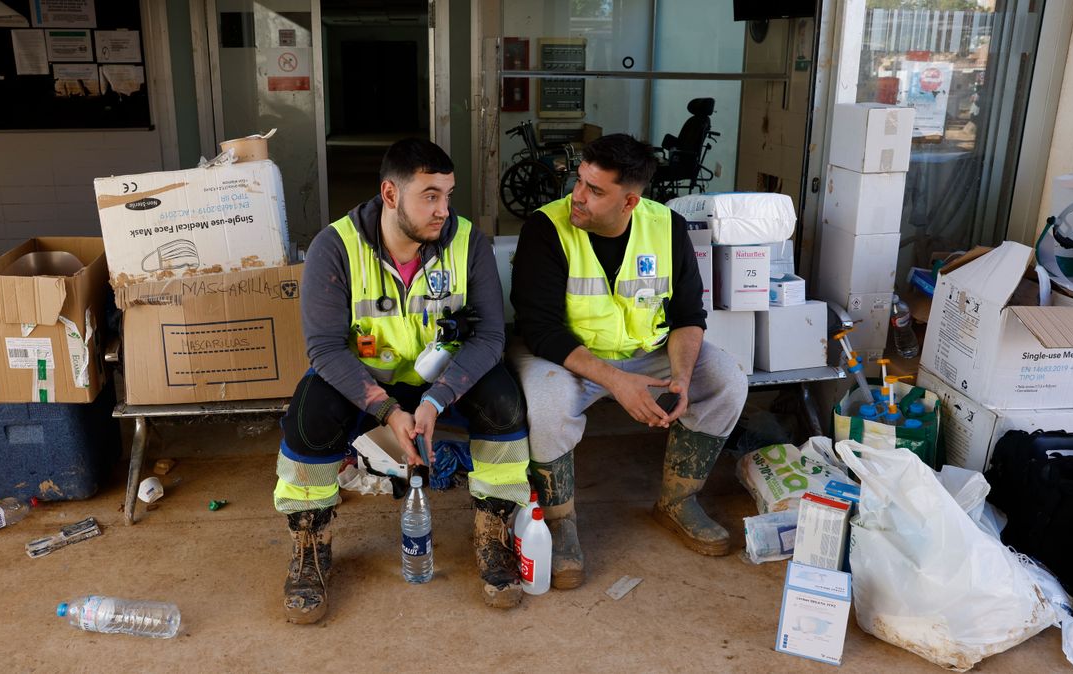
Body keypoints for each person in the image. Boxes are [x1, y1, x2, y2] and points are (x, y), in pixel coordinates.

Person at [275, 139, 531, 623]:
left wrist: (436, 401)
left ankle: (494, 530)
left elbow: (491, 335)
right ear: (390, 195)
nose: (443, 210)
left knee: (504, 403)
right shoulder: (336, 247)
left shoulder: (467, 241)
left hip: (443, 380)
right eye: (429, 196)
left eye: (449, 195)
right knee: (307, 418)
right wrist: (386, 410)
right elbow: (326, 349)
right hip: (366, 382)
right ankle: (310, 542)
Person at [509, 133, 748, 590]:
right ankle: (559, 522)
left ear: (630, 201)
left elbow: (688, 317)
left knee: (725, 379)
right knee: (545, 400)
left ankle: (679, 501)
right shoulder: (546, 228)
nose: (577, 196)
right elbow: (539, 329)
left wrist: (680, 377)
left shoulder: (667, 226)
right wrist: (618, 382)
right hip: (566, 357)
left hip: (647, 353)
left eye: (595, 191)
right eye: (579, 181)